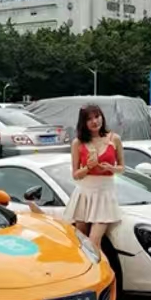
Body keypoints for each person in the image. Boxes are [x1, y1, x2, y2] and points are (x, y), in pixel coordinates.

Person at [63, 105, 124, 256]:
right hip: (85, 194)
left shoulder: (114, 139)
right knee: (80, 240)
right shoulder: (78, 143)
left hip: (104, 194)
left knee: (94, 240)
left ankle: (101, 269)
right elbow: (75, 174)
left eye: (97, 117)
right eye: (89, 119)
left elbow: (122, 167)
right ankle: (84, 268)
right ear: (83, 123)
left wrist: (111, 168)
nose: (94, 121)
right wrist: (88, 168)